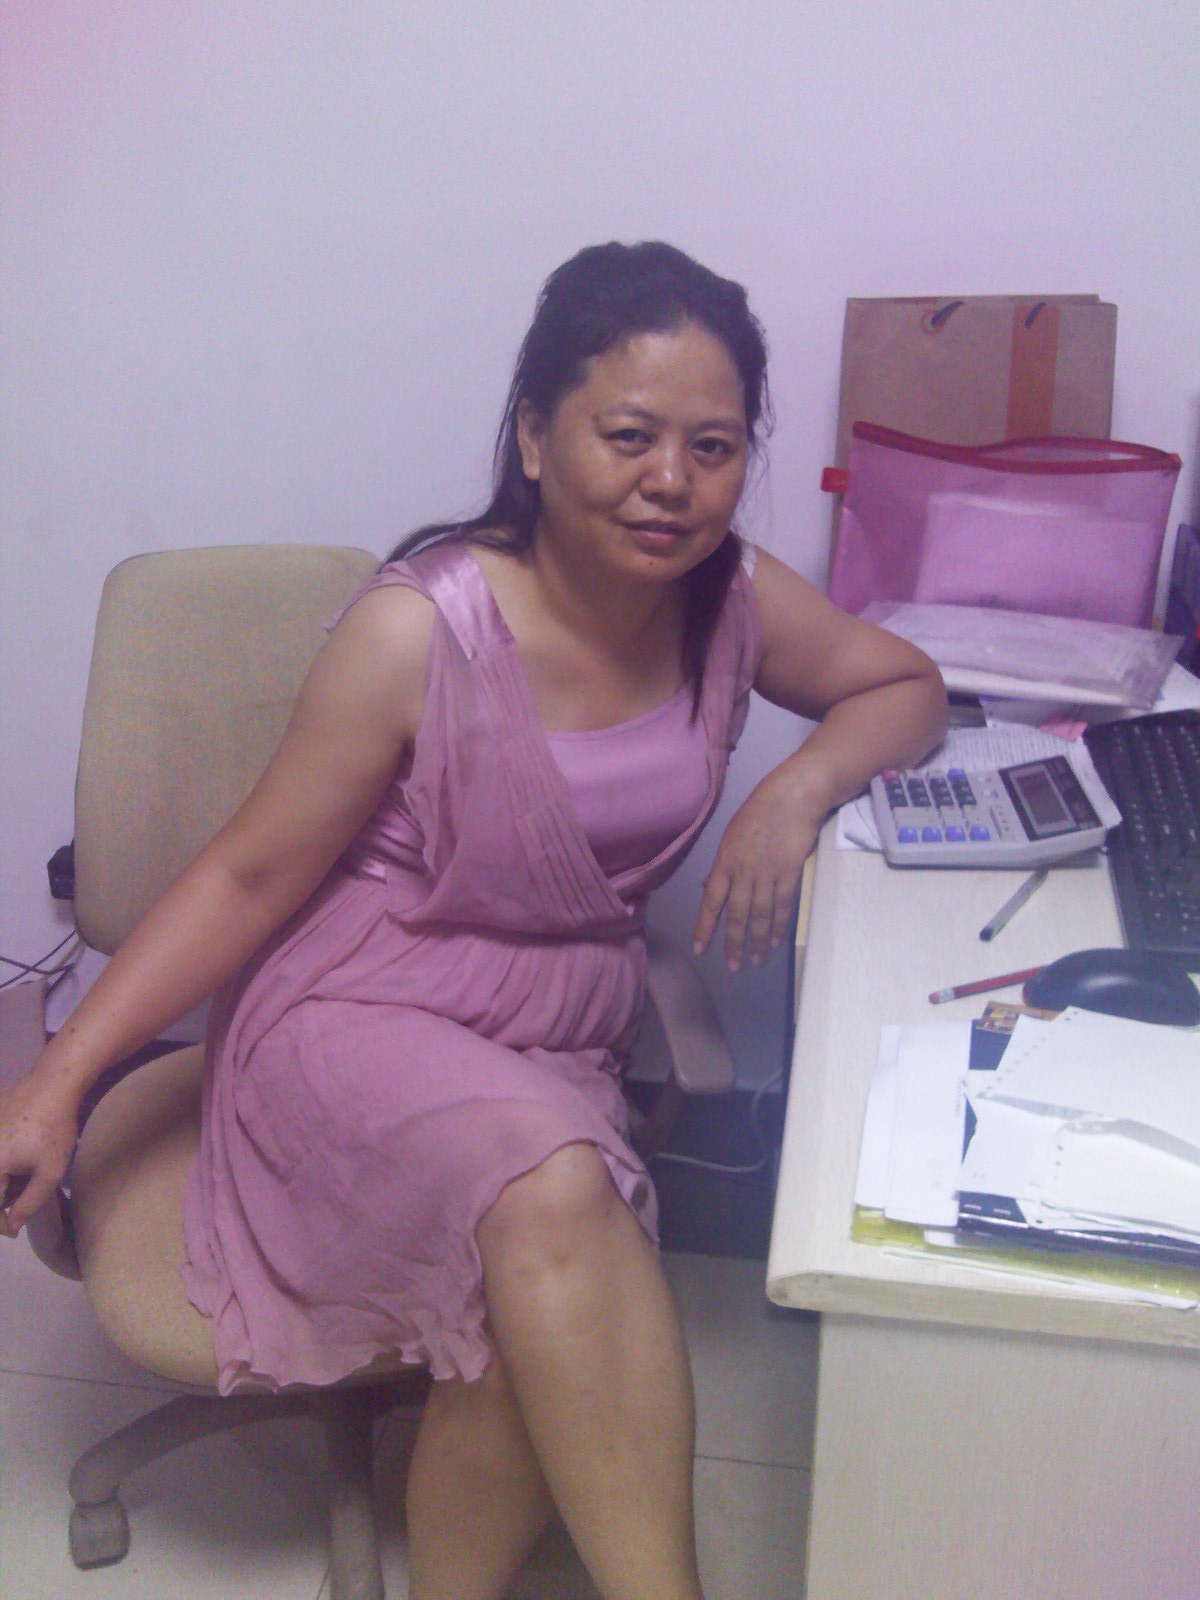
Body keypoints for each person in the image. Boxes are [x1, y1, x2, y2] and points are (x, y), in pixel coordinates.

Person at [0, 241, 947, 1600]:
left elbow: (906, 687)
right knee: (556, 1192)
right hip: (357, 1009)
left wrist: (793, 791)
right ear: (537, 438)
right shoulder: (422, 629)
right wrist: (56, 1078)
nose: (672, 481)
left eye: (715, 446)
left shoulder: (731, 600)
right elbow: (247, 878)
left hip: (550, 1033)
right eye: (629, 436)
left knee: (526, 1306)